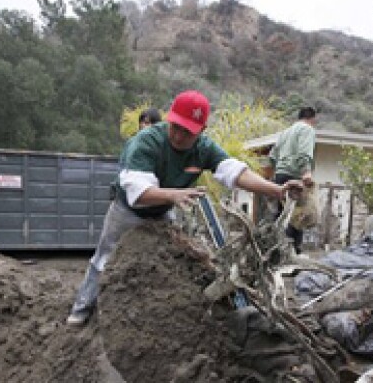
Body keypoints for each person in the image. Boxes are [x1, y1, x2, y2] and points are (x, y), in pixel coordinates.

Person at [67, 90, 302, 325]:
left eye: (187, 131)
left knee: (172, 260)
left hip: (163, 210)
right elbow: (137, 194)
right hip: (127, 211)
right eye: (175, 127)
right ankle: (82, 307)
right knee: (104, 259)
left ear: (202, 130)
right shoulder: (146, 142)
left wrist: (275, 190)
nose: (179, 136)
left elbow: (235, 171)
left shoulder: (204, 148)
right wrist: (174, 194)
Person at [268, 106, 317, 254]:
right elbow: (304, 152)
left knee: (280, 216)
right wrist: (307, 172)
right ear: (312, 119)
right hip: (295, 176)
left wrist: (278, 170)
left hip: (280, 176)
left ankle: (273, 251)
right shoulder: (307, 129)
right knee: (297, 217)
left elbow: (272, 156)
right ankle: (291, 255)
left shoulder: (285, 132)